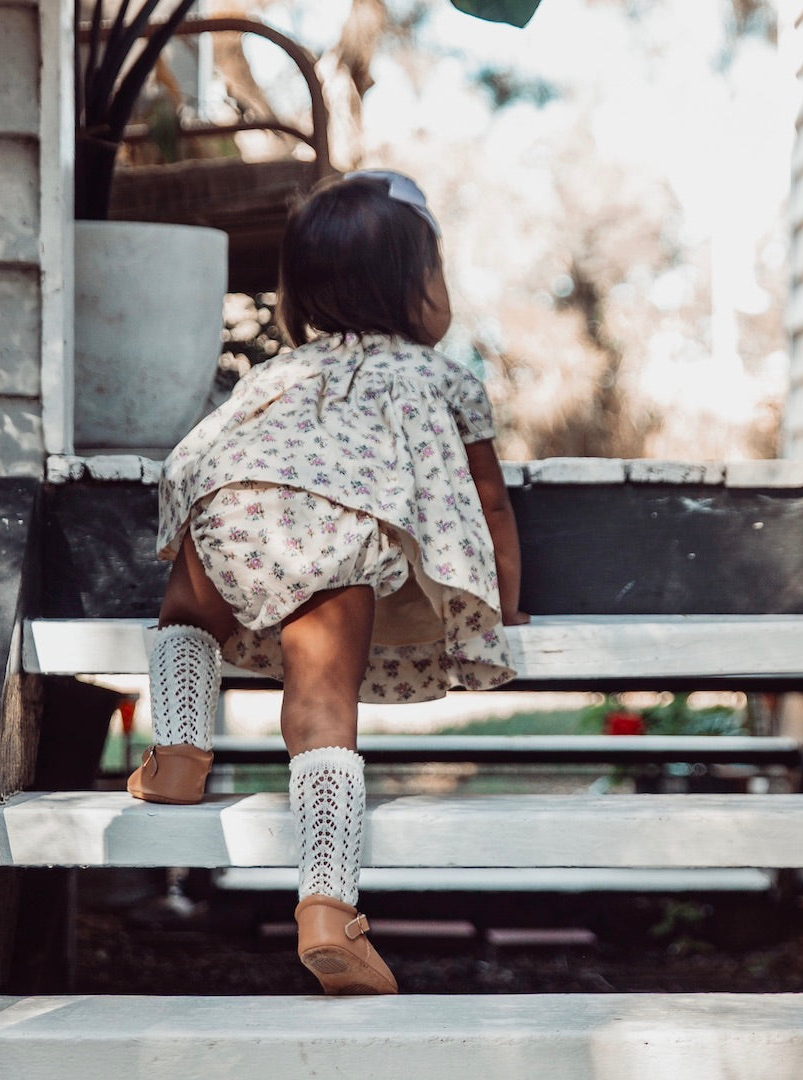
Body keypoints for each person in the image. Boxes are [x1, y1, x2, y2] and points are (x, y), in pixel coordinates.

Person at [126, 170, 529, 997]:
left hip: (225, 505)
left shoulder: (277, 374)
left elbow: (218, 449)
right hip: (339, 530)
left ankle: (177, 751)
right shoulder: (445, 378)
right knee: (320, 706)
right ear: (418, 289)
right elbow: (488, 502)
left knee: (186, 608)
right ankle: (326, 906)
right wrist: (501, 603)